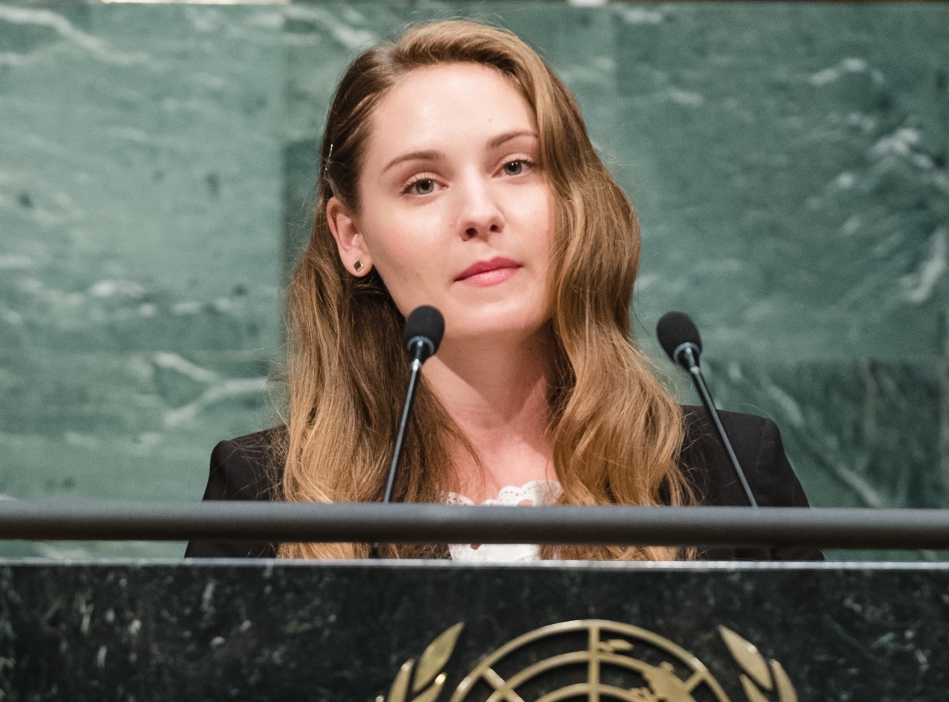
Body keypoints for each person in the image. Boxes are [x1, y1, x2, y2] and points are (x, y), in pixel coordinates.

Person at [186, 20, 817, 562]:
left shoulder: (733, 473)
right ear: (352, 238)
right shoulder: (266, 499)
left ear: (571, 199)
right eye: (422, 184)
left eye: (515, 166)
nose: (479, 213)